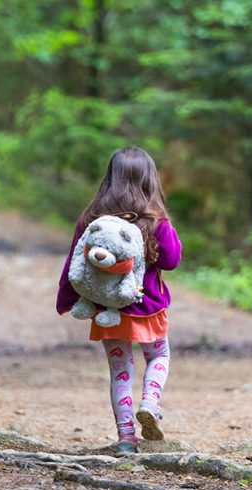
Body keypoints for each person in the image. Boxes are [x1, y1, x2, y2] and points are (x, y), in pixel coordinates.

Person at [56, 147, 182, 454]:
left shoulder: (92, 219)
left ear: (109, 178)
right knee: (159, 356)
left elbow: (75, 260)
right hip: (147, 307)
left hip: (107, 309)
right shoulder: (155, 220)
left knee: (120, 371)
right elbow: (172, 260)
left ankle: (126, 439)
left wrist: (67, 299)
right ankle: (150, 403)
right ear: (149, 180)